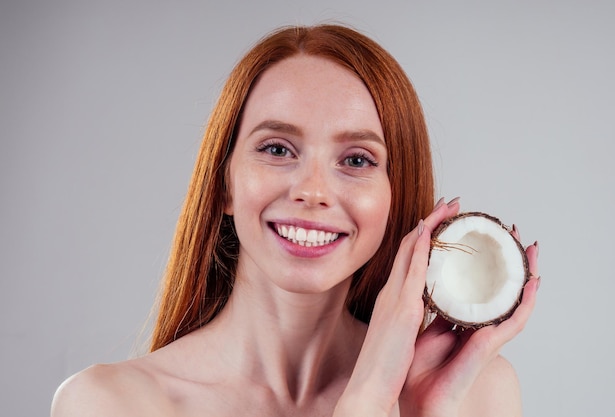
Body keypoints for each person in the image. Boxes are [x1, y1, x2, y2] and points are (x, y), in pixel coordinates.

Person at [51, 24, 539, 417]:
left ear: (395, 196)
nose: (313, 191)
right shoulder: (109, 404)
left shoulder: (475, 395)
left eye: (357, 160)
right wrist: (366, 401)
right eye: (277, 149)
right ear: (223, 183)